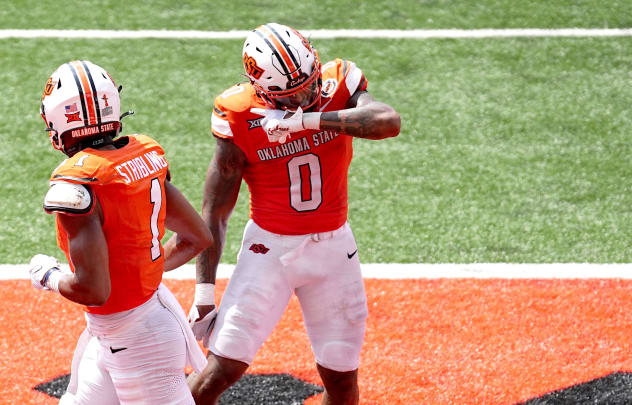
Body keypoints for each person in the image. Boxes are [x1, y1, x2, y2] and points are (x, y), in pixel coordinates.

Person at [186, 23, 401, 405]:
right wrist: (204, 292)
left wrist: (306, 121)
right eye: (291, 95)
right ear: (262, 90)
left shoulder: (339, 83)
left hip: (334, 249)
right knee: (217, 373)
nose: (305, 95)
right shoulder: (239, 114)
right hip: (269, 252)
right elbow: (215, 212)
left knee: (341, 379)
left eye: (308, 83)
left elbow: (388, 122)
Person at [28, 60, 212, 405]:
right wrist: (143, 268)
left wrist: (49, 275)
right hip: (128, 330)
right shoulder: (146, 153)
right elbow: (197, 237)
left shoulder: (77, 183)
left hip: (140, 343)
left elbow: (94, 289)